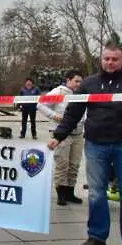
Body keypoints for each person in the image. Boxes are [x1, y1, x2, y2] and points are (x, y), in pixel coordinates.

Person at [48, 42, 122, 245]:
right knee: (96, 193)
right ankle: (97, 236)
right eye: (106, 58)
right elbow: (73, 112)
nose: (110, 62)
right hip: (96, 145)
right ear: (101, 59)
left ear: (121, 60)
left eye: (114, 59)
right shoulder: (89, 84)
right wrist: (58, 136)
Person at [37, 70, 84, 206]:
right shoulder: (59, 92)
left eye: (81, 81)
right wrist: (54, 115)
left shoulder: (81, 93)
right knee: (62, 164)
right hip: (61, 134)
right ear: (68, 80)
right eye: (76, 81)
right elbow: (40, 104)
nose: (79, 84)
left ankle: (70, 192)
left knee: (74, 164)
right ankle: (60, 193)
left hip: (78, 134)